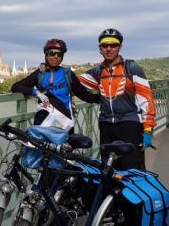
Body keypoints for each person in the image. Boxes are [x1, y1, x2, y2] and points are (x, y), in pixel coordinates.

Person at [78, 28, 157, 170]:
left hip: (129, 124)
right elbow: (73, 83)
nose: (109, 49)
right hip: (106, 124)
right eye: (104, 45)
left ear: (119, 47)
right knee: (109, 169)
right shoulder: (98, 71)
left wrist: (148, 130)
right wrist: (49, 70)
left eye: (113, 45)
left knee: (132, 168)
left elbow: (146, 99)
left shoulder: (131, 68)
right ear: (100, 48)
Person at [11, 39, 100, 133]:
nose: (56, 57)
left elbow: (83, 94)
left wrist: (105, 99)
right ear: (46, 55)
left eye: (60, 54)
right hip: (44, 122)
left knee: (66, 147)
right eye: (52, 53)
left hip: (65, 122)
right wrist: (36, 92)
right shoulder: (39, 74)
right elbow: (16, 87)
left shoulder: (67, 74)